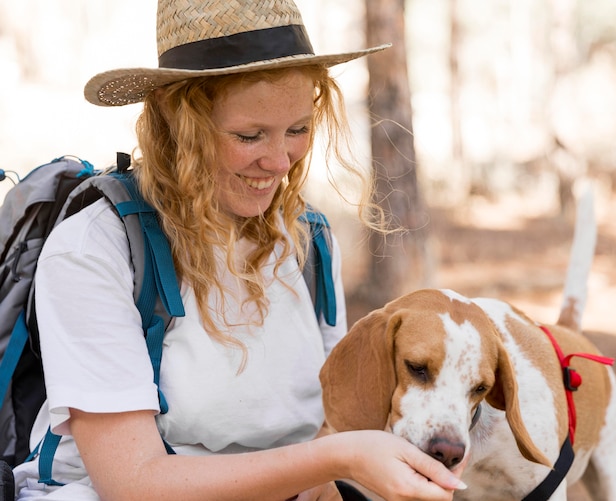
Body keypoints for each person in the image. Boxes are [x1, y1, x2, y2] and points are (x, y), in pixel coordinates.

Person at [12, 0, 468, 499]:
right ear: (176, 121)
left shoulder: (307, 241)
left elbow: (327, 426)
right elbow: (134, 483)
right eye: (249, 135)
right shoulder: (96, 250)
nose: (278, 162)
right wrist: (340, 459)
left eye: (297, 130)